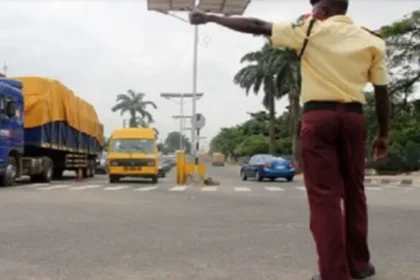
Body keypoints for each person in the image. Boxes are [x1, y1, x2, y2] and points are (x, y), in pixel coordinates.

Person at [189, 0, 390, 279]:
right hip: (355, 119)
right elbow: (382, 91)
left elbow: (258, 26)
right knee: (355, 192)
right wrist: (384, 134)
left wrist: (209, 17)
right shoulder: (372, 40)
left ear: (326, 7)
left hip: (319, 118)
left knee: (324, 198)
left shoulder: (309, 31)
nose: (313, 9)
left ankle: (334, 272)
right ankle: (359, 264)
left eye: (315, 3)